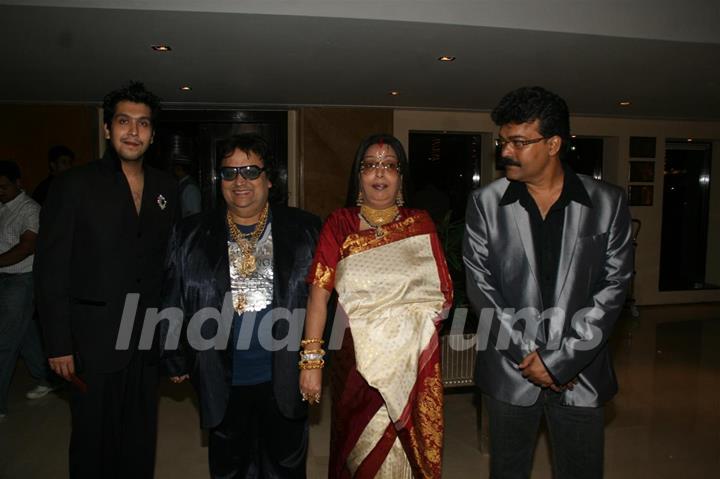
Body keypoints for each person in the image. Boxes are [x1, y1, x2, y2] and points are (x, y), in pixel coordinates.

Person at [463, 86, 633, 479]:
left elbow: (614, 288)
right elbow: (480, 288)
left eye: (519, 142)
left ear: (554, 143)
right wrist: (532, 359)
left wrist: (560, 361)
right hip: (510, 371)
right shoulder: (485, 204)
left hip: (582, 372)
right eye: (503, 141)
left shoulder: (608, 203)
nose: (506, 151)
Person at [33, 81, 178, 478]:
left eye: (143, 124)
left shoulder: (166, 188)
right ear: (107, 128)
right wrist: (58, 343)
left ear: (152, 134)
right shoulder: (73, 185)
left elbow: (168, 267)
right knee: (91, 441)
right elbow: (51, 269)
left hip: (145, 340)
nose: (133, 132)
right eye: (124, 121)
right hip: (90, 341)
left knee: (140, 438)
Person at [160, 133, 320, 478]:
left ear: (269, 178)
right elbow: (172, 295)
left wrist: (315, 360)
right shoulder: (189, 233)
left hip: (285, 370)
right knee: (229, 466)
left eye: (250, 170)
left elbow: (325, 302)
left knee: (285, 466)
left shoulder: (305, 228)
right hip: (220, 371)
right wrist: (173, 353)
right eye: (229, 173)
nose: (240, 181)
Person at [301, 133, 452, 478]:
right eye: (370, 165)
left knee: (402, 452)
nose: (379, 173)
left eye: (388, 165)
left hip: (406, 364)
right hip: (354, 363)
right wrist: (311, 361)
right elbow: (319, 297)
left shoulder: (420, 224)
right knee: (355, 449)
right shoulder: (339, 224)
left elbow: (441, 294)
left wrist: (400, 340)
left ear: (400, 177)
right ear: (359, 176)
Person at [0, 160, 57, 419]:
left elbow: (27, 246)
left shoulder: (30, 209)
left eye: (3, 186)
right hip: (5, 278)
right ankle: (46, 377)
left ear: (17, 183)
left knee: (5, 341)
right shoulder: (1, 208)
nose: (0, 191)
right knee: (24, 333)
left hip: (22, 279)